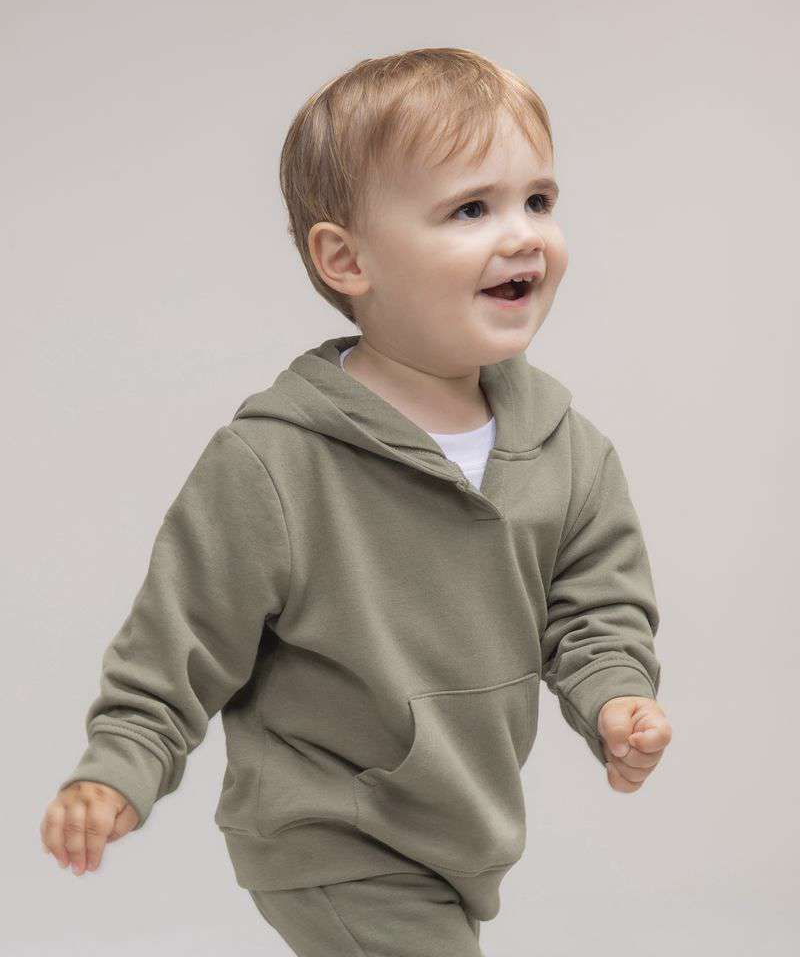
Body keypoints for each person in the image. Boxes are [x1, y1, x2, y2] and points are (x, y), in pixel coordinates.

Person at [40, 47, 672, 956]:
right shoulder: (274, 463)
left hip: (460, 826)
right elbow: (179, 641)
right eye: (472, 209)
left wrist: (615, 697)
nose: (525, 234)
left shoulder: (566, 450)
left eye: (538, 200)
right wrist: (118, 769)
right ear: (346, 258)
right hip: (332, 833)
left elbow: (595, 609)